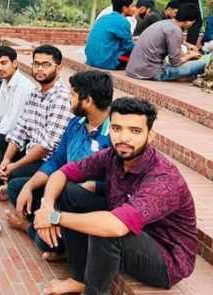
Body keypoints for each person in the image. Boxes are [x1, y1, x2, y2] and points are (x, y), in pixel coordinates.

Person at [33, 97, 196, 295]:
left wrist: (54, 217)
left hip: (166, 258)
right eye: (117, 128)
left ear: (150, 135)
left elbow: (115, 226)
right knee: (70, 193)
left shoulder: (163, 178)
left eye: (135, 131)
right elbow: (62, 173)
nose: (123, 138)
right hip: (131, 227)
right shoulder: (112, 155)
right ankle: (79, 277)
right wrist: (47, 206)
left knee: (107, 232)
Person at [6, 71, 113, 261]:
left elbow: (119, 184)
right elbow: (56, 159)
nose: (68, 99)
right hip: (60, 188)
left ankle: (33, 229)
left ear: (87, 100)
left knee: (68, 195)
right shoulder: (76, 123)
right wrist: (30, 186)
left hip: (89, 203)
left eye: (72, 94)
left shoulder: (114, 133)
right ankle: (46, 227)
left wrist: (92, 186)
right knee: (18, 187)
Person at [0, 45, 73, 195]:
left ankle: (5, 177)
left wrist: (15, 165)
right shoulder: (35, 92)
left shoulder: (61, 97)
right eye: (36, 64)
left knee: (14, 173)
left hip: (47, 161)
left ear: (59, 68)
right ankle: (3, 175)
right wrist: (7, 159)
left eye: (46, 65)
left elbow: (46, 146)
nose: (39, 69)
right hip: (29, 150)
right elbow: (20, 129)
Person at [126, 3, 208, 81]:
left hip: (133, 69)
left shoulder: (165, 23)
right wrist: (191, 55)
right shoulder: (175, 30)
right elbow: (175, 62)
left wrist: (187, 45)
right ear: (188, 22)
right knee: (202, 64)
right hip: (149, 73)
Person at [85, 0, 138, 70]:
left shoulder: (103, 18)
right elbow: (129, 47)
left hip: (90, 60)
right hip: (105, 63)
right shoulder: (123, 21)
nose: (135, 9)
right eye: (132, 6)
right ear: (124, 8)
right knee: (138, 56)